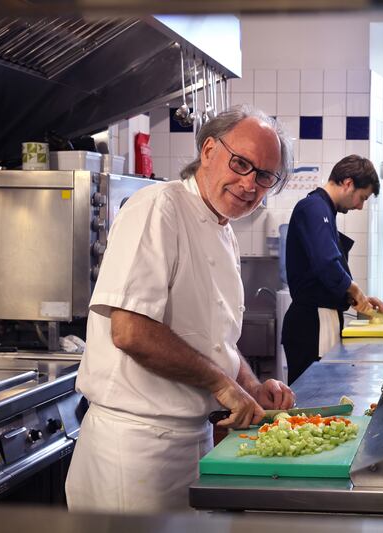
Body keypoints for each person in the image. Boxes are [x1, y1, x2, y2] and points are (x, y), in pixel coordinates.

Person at [65, 105, 296, 513]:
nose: (249, 184)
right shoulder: (158, 207)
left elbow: (212, 341)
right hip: (135, 449)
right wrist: (223, 386)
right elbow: (130, 331)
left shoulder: (223, 229)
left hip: (193, 441)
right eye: (240, 164)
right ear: (208, 151)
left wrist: (250, 387)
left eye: (264, 176)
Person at [281, 155, 383, 384]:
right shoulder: (313, 207)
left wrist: (357, 297)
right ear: (348, 183)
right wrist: (354, 290)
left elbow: (323, 273)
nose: (359, 206)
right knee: (313, 396)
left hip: (320, 319)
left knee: (324, 393)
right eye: (362, 198)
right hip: (312, 323)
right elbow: (326, 263)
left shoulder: (324, 210)